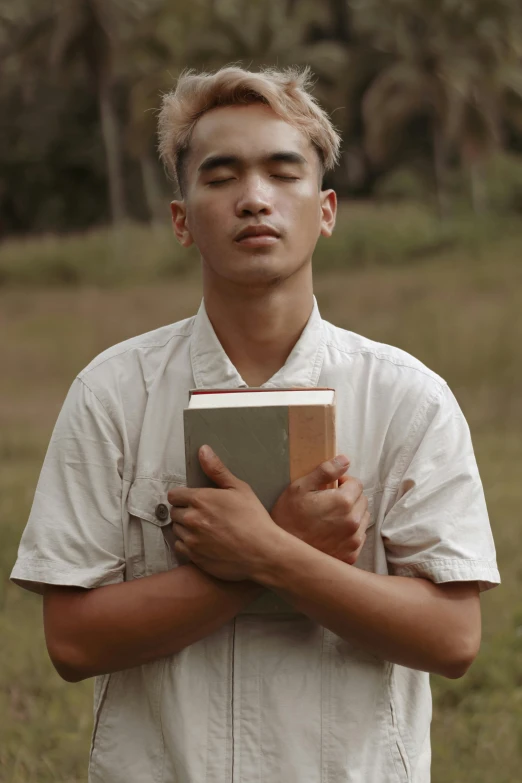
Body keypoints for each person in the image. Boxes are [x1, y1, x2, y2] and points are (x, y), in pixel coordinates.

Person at [11, 65, 500, 783]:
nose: (254, 198)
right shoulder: (114, 393)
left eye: (283, 171)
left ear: (326, 208)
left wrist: (269, 552)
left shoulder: (407, 397)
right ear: (182, 219)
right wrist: (284, 548)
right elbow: (73, 641)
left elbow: (454, 636)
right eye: (220, 176)